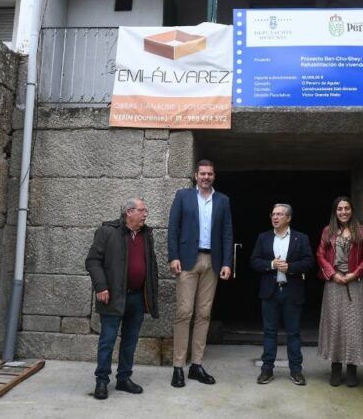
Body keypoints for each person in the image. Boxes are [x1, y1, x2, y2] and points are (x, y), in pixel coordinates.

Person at [167, 159, 233, 387]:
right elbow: (172, 228)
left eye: (210, 174)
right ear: (196, 175)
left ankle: (196, 364)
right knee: (184, 313)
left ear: (214, 176)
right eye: (202, 173)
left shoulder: (223, 200)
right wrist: (173, 256)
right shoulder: (183, 196)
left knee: (204, 314)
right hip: (187, 261)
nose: (206, 177)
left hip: (212, 261)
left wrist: (227, 262)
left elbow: (227, 233)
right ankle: (178, 367)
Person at [85, 197, 159, 400]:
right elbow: (92, 261)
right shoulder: (107, 231)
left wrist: (150, 294)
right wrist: (101, 286)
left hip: (137, 297)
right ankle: (102, 381)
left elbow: (150, 265)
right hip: (112, 296)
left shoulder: (146, 234)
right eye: (142, 210)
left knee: (130, 341)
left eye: (146, 210)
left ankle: (124, 378)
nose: (145, 214)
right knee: (107, 340)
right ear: (129, 212)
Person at [249, 203, 314, 385]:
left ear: (289, 218)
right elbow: (254, 261)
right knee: (269, 332)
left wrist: (291, 267)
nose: (275, 217)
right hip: (270, 291)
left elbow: (309, 262)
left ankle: (296, 371)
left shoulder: (300, 238)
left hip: (292, 291)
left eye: (279, 214)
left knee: (293, 333)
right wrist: (271, 265)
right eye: (273, 214)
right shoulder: (263, 238)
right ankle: (267, 369)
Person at [316, 196, 363, 387]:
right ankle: (335, 367)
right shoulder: (327, 231)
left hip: (354, 284)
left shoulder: (361, 231)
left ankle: (352, 369)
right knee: (336, 325)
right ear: (335, 212)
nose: (343, 212)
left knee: (354, 327)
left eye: (347, 208)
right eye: (340, 209)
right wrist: (332, 274)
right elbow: (320, 255)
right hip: (334, 284)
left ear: (352, 210)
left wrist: (354, 274)